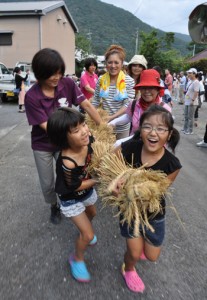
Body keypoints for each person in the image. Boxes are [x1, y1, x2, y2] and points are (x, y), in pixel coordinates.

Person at [25, 48, 102, 225]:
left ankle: (75, 201)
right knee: (48, 183)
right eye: (51, 74)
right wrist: (77, 137)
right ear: (40, 73)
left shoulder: (67, 83)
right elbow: (47, 127)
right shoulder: (32, 96)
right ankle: (54, 205)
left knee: (72, 175)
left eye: (59, 72)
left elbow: (87, 106)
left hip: (66, 142)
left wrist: (101, 126)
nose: (56, 77)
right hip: (43, 144)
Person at [112, 104, 182, 293]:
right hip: (130, 213)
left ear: (169, 134)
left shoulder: (172, 164)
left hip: (155, 215)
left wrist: (141, 190)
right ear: (139, 129)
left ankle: (139, 247)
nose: (153, 133)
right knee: (134, 253)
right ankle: (129, 268)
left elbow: (160, 190)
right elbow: (109, 164)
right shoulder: (128, 148)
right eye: (147, 126)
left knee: (151, 257)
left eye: (161, 128)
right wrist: (117, 180)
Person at [47, 107, 97, 282]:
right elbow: (74, 186)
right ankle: (77, 259)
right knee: (89, 235)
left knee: (92, 213)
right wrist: (98, 180)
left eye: (84, 124)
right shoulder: (68, 161)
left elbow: (99, 154)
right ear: (63, 138)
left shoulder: (88, 140)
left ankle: (84, 230)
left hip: (87, 191)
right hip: (71, 198)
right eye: (76, 130)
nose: (84, 131)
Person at [109, 69, 171, 146]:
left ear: (158, 89)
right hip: (132, 150)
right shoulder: (134, 104)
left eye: (151, 88)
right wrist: (113, 122)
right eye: (143, 88)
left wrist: (122, 142)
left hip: (153, 151)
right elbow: (129, 117)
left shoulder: (164, 109)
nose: (147, 91)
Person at [92, 44, 135, 140]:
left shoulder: (129, 81)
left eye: (116, 62)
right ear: (106, 63)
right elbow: (95, 100)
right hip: (104, 124)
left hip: (122, 127)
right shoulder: (101, 79)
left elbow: (128, 105)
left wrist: (112, 117)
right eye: (110, 62)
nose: (113, 66)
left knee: (119, 154)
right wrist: (93, 117)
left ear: (122, 63)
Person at [182, 68, 199, 135]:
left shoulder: (196, 82)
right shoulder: (190, 81)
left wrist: (192, 100)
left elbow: (196, 92)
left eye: (190, 73)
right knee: (186, 116)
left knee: (190, 117)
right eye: (188, 73)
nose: (188, 74)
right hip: (187, 101)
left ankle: (190, 130)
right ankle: (185, 128)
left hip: (192, 102)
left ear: (194, 74)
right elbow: (189, 90)